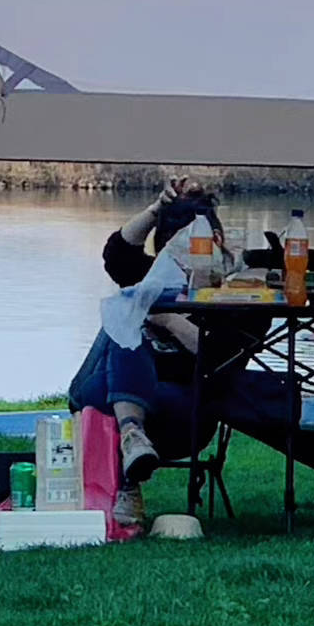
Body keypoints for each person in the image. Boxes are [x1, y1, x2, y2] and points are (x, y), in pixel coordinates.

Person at [68, 184, 227, 525]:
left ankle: (130, 457)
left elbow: (221, 356)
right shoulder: (153, 279)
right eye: (179, 248)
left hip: (182, 416)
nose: (188, 258)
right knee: (126, 328)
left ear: (216, 242)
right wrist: (156, 209)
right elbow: (117, 253)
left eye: (197, 246)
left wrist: (166, 318)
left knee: (108, 378)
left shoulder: (234, 294)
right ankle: (132, 439)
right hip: (109, 401)